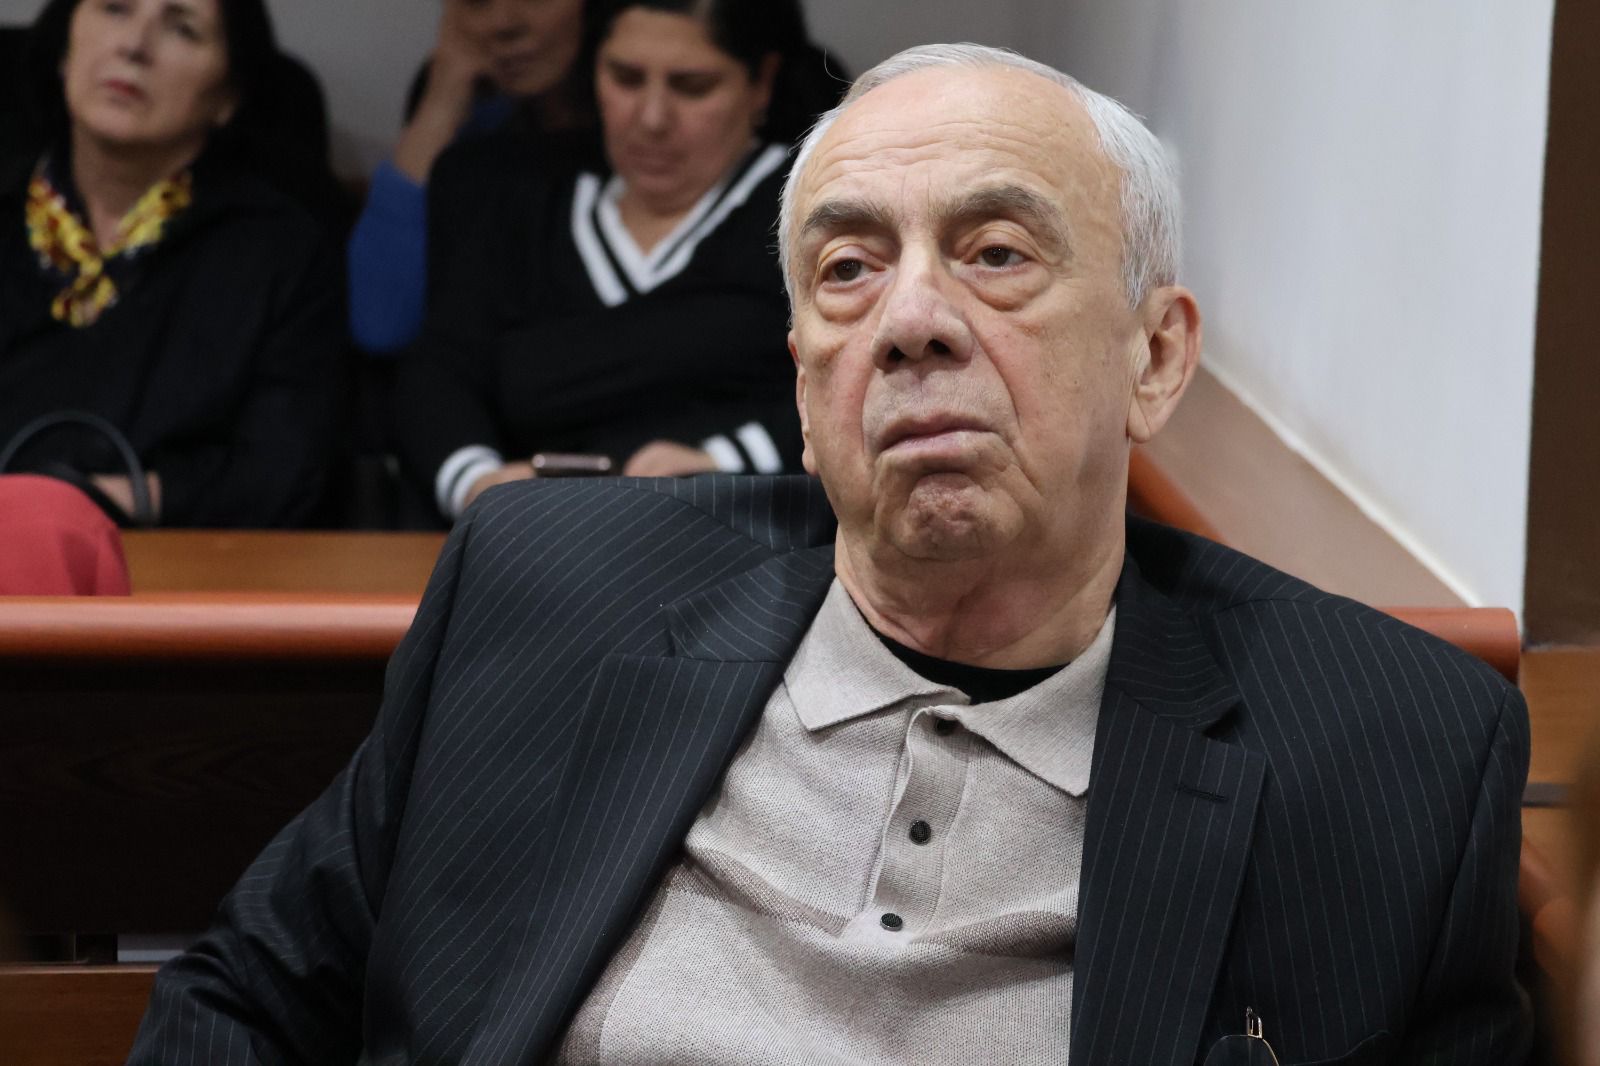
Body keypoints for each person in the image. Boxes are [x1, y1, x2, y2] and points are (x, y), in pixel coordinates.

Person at [129, 44, 1530, 1064]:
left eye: (995, 252)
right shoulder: (545, 596)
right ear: (804, 380)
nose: (910, 321)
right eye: (849, 269)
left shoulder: (1390, 753)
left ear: (1153, 357)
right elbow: (243, 998)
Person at [394, 0, 825, 523]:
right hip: (530, 539)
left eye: (692, 87)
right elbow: (440, 372)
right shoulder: (515, 197)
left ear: (761, 82)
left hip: (753, 536)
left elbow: (859, 383)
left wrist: (725, 463)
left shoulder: (817, 207)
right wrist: (479, 483)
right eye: (625, 78)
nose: (652, 118)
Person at [0, 0, 346, 528]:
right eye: (115, 9)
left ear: (227, 97)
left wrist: (92, 500)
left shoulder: (279, 251)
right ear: (65, 47)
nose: (134, 46)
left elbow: (282, 473)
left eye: (183, 29)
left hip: (183, 560)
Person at [345, 0, 591, 355]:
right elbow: (381, 323)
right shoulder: (468, 112)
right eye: (476, 1)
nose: (503, 23)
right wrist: (441, 105)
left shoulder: (652, 131)